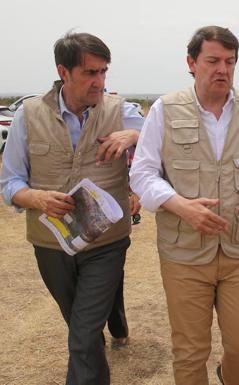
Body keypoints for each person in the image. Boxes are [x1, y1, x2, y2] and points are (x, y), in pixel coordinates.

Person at [129, 26, 239, 385]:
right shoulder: (165, 109)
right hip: (184, 253)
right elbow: (141, 174)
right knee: (189, 351)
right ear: (191, 62)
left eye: (230, 61)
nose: (223, 69)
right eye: (213, 60)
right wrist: (179, 204)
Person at [0, 32, 143, 384]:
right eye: (90, 73)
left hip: (107, 244)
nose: (100, 81)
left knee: (82, 332)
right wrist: (37, 198)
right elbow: (10, 182)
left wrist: (134, 136)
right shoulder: (28, 116)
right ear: (63, 72)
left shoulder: (122, 111)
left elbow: (165, 136)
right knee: (82, 328)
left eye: (103, 72)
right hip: (51, 246)